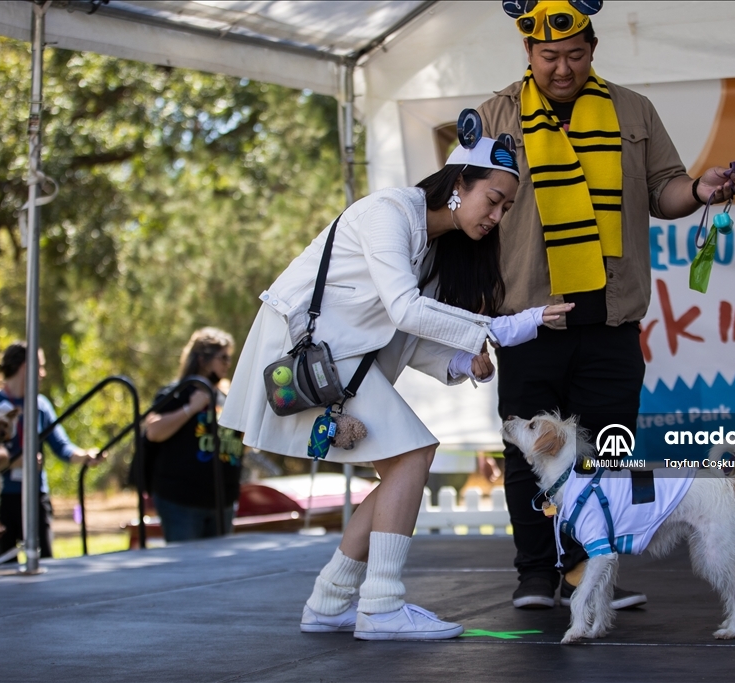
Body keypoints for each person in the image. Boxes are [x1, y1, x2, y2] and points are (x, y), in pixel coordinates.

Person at [221, 121, 572, 641]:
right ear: (458, 184)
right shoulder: (387, 213)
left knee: (403, 465)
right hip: (303, 357)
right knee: (413, 455)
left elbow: (404, 331)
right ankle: (381, 606)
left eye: (505, 209)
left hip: (338, 363)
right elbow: (404, 310)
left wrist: (459, 360)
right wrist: (505, 327)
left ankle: (330, 601)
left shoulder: (432, 246)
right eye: (493, 200)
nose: (497, 217)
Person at [478, 0, 735, 609]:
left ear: (593, 51)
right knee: (528, 452)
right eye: (549, 57)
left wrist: (701, 190)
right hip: (530, 316)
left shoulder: (633, 109)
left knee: (611, 450)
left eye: (575, 55)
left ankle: (589, 573)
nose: (563, 68)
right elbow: (471, 212)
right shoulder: (494, 115)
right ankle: (534, 575)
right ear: (528, 54)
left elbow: (666, 189)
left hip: (612, 317)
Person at [0, 342, 105, 560]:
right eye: (39, 366)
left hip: (35, 496)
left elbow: (62, 446)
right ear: (25, 367)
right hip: (1, 500)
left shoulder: (40, 405)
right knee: (3, 565)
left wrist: (86, 456)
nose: (43, 373)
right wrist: (13, 462)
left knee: (44, 561)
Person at [143, 327, 244, 543]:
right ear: (202, 359)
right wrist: (190, 408)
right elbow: (153, 431)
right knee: (188, 569)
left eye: (229, 358)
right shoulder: (180, 392)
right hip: (183, 502)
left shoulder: (227, 396)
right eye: (223, 358)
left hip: (222, 499)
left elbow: (241, 442)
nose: (228, 364)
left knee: (219, 570)